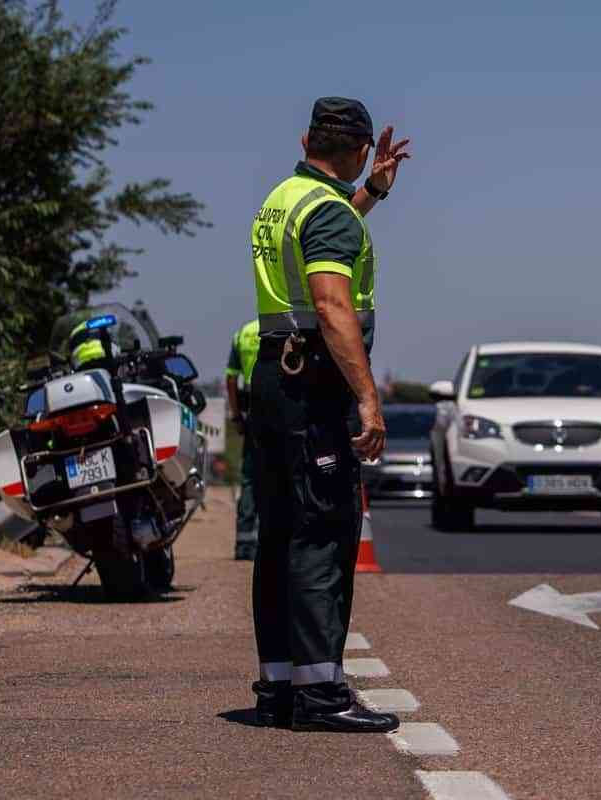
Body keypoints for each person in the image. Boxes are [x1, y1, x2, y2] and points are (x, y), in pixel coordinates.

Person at [248, 97, 409, 732]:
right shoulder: (329, 216)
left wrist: (371, 192)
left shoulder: (285, 197)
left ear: (307, 139)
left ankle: (281, 689)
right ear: (362, 146)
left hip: (274, 381)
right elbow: (332, 305)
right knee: (322, 535)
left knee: (281, 536)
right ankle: (322, 696)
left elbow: (324, 233)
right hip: (314, 389)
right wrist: (368, 398)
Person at [225, 318, 261, 561]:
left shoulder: (243, 333)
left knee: (250, 477)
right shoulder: (286, 327)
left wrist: (236, 415)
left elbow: (230, 379)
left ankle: (244, 544)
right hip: (281, 408)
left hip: (251, 411)